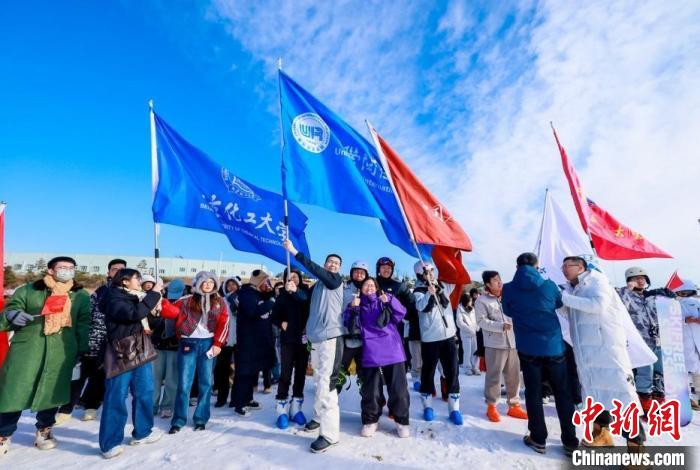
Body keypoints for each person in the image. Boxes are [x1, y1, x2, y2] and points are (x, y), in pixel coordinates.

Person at [0, 256, 90, 456]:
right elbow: (11, 308)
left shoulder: (80, 295)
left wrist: (81, 349)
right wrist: (12, 315)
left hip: (62, 349)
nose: (67, 270)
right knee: (14, 391)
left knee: (52, 391)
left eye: (71, 268)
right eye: (62, 267)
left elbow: (83, 323)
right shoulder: (29, 290)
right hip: (29, 349)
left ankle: (44, 430)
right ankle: (3, 435)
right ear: (50, 270)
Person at [559, 256, 646, 453]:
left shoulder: (598, 281)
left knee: (623, 398)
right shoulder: (573, 289)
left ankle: (637, 451)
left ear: (581, 267)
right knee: (596, 395)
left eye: (568, 266)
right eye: (562, 266)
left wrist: (563, 298)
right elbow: (572, 313)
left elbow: (597, 305)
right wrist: (560, 303)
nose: (564, 270)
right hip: (587, 352)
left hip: (607, 351)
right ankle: (602, 435)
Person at [502, 253, 578, 455]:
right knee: (562, 393)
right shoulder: (549, 285)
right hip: (553, 347)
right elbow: (559, 304)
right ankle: (570, 441)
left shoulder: (508, 288)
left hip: (527, 348)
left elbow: (508, 311)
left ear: (516, 266)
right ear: (537, 266)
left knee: (534, 394)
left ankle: (538, 438)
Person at [284, 239, 344, 453]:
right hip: (316, 339)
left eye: (336, 263)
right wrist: (293, 290)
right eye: (330, 262)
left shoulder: (334, 281)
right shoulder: (318, 286)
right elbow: (304, 299)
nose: (333, 265)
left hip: (331, 338)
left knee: (327, 385)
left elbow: (315, 270)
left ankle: (330, 435)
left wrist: (295, 252)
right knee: (318, 380)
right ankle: (319, 418)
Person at [99, 268, 162, 459]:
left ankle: (143, 431)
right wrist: (154, 294)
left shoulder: (138, 296)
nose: (140, 280)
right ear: (124, 281)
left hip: (142, 349)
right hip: (122, 352)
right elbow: (132, 314)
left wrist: (156, 312)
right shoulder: (112, 297)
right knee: (116, 396)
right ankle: (110, 442)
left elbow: (147, 321)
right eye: (137, 278)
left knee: (145, 391)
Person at [57, 258, 125, 424]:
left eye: (122, 270)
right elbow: (87, 314)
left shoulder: (127, 293)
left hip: (111, 343)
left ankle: (92, 407)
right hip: (91, 340)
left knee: (100, 377)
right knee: (78, 377)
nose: (118, 272)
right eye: (115, 269)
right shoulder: (100, 291)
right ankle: (66, 409)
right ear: (108, 272)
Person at [345, 277, 410, 438]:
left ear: (377, 287)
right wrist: (352, 309)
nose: (369, 287)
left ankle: (401, 421)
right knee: (371, 390)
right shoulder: (357, 305)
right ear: (361, 289)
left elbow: (402, 312)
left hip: (392, 349)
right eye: (366, 285)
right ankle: (370, 420)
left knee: (398, 389)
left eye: (372, 285)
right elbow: (349, 323)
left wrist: (390, 300)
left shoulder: (385, 300)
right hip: (371, 351)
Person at [167, 271, 229, 434]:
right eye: (204, 281)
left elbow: (224, 323)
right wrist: (160, 300)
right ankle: (178, 419)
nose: (208, 284)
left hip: (208, 344)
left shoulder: (220, 302)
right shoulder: (186, 301)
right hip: (188, 342)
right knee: (184, 383)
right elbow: (170, 312)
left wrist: (218, 344)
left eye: (211, 282)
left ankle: (201, 418)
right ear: (198, 283)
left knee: (206, 383)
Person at [617, 267, 675, 412]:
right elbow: (619, 307)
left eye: (643, 278)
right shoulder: (623, 294)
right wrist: (627, 290)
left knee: (659, 371)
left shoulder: (651, 297)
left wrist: (669, 298)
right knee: (645, 372)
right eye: (636, 278)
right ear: (629, 281)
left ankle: (659, 401)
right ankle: (645, 403)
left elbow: (667, 312)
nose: (641, 280)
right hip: (639, 341)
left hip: (658, 339)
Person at [412, 261, 462, 425]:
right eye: (427, 272)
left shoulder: (444, 286)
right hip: (430, 339)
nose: (430, 274)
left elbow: (456, 277)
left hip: (448, 336)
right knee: (428, 373)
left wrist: (451, 258)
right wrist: (428, 293)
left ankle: (454, 408)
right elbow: (421, 307)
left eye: (432, 271)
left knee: (452, 372)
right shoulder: (418, 291)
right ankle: (427, 407)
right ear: (420, 274)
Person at [474, 271, 525, 423]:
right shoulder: (481, 301)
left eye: (499, 279)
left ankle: (514, 405)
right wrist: (500, 326)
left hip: (513, 342)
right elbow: (481, 321)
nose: (499, 282)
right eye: (495, 280)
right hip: (495, 343)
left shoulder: (508, 296)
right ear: (488, 284)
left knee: (514, 376)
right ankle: (492, 406)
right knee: (494, 377)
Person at [230, 270, 275, 418]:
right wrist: (270, 303)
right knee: (244, 372)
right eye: (265, 282)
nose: (267, 285)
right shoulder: (247, 293)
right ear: (257, 282)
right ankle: (239, 403)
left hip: (258, 341)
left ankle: (248, 399)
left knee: (252, 372)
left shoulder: (259, 294)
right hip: (247, 341)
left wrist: (270, 295)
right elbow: (252, 311)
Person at [272, 268, 311, 428]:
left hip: (303, 339)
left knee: (301, 374)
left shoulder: (305, 292)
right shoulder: (282, 294)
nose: (293, 279)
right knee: (285, 374)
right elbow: (274, 315)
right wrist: (281, 323)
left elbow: (305, 304)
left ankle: (296, 408)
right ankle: (281, 408)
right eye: (290, 277)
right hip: (287, 340)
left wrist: (295, 292)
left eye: (296, 276)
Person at [149, 278, 184, 419]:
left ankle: (167, 405)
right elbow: (150, 321)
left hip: (175, 346)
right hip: (157, 344)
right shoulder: (159, 298)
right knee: (154, 378)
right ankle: (152, 405)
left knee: (172, 379)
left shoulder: (186, 302)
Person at [338, 261, 369, 394]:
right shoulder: (343, 287)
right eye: (356, 271)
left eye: (362, 272)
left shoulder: (370, 288)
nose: (359, 274)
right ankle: (329, 405)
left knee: (365, 375)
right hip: (346, 338)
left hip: (364, 340)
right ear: (351, 273)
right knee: (339, 372)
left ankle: (369, 408)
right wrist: (351, 306)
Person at [214, 276, 241, 408]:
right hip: (224, 341)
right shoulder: (221, 301)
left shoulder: (242, 300)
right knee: (222, 370)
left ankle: (236, 398)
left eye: (234, 284)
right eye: (229, 285)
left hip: (239, 340)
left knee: (238, 371)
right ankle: (221, 397)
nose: (231, 287)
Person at [674, 279, 700, 410]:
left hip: (697, 338)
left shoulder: (698, 303)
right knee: (685, 368)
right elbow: (670, 319)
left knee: (697, 368)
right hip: (682, 340)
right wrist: (685, 320)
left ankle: (697, 396)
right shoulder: (674, 305)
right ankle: (687, 398)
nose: (685, 294)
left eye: (687, 292)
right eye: (683, 292)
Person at [455, 293, 480, 376]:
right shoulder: (460, 309)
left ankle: (475, 367)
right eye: (470, 301)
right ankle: (467, 368)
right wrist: (469, 329)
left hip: (474, 333)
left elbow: (476, 319)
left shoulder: (472, 309)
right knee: (467, 351)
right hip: (466, 334)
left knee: (475, 351)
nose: (471, 302)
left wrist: (477, 327)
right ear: (466, 301)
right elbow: (459, 322)